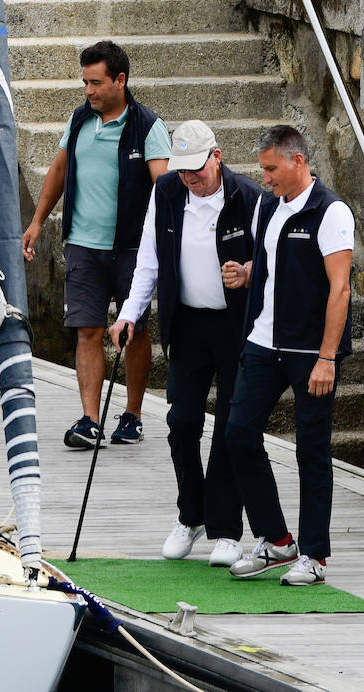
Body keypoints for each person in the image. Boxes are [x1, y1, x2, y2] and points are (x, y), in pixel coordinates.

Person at [109, 121, 262, 566]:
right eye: (182, 170)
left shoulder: (247, 197)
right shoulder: (167, 193)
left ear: (217, 156)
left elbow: (270, 263)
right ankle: (190, 515)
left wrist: (248, 271)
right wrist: (129, 315)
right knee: (182, 423)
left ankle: (227, 529)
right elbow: (148, 262)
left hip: (235, 327)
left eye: (196, 168)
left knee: (230, 429)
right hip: (188, 325)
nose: (189, 178)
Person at [221, 124, 354, 587]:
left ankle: (314, 556)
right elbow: (277, 259)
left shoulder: (332, 212)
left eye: (271, 168)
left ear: (298, 161)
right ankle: (277, 540)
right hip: (263, 341)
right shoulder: (268, 205)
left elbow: (340, 289)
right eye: (263, 170)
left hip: (311, 352)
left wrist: (327, 359)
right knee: (238, 433)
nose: (266, 178)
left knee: (311, 450)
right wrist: (249, 271)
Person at [22, 40, 169, 448]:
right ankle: (90, 418)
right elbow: (57, 169)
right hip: (83, 245)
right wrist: (37, 222)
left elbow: (166, 188)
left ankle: (133, 414)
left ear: (120, 81)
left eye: (96, 83)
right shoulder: (80, 119)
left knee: (134, 331)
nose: (88, 91)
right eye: (85, 82)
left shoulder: (148, 126)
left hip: (132, 249)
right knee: (86, 330)